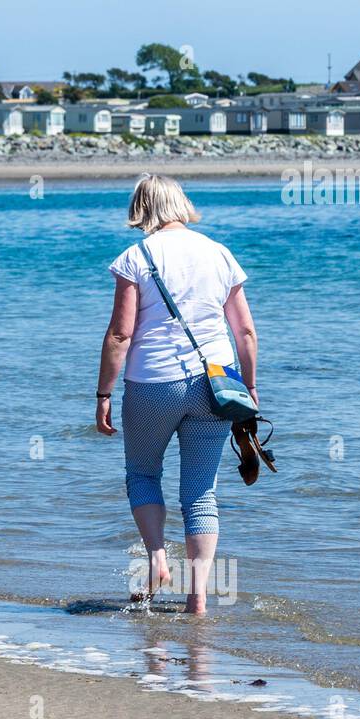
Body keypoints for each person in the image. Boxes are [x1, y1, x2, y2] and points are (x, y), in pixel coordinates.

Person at [95, 175, 258, 615]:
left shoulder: (135, 257)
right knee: (201, 492)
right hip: (217, 383)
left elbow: (120, 334)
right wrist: (250, 387)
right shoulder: (220, 253)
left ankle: (156, 560)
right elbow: (243, 330)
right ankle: (198, 598)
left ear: (141, 208)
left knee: (143, 474)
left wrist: (103, 394)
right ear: (180, 203)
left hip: (153, 383)